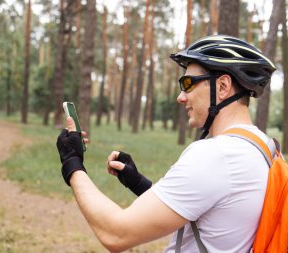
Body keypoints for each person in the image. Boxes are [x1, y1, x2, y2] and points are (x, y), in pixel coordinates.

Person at [56, 35, 276, 253]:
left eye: (187, 83)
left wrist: (72, 162)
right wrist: (140, 184)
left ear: (222, 86)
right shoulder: (265, 149)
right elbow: (215, 219)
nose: (181, 97)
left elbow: (116, 233)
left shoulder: (218, 155)